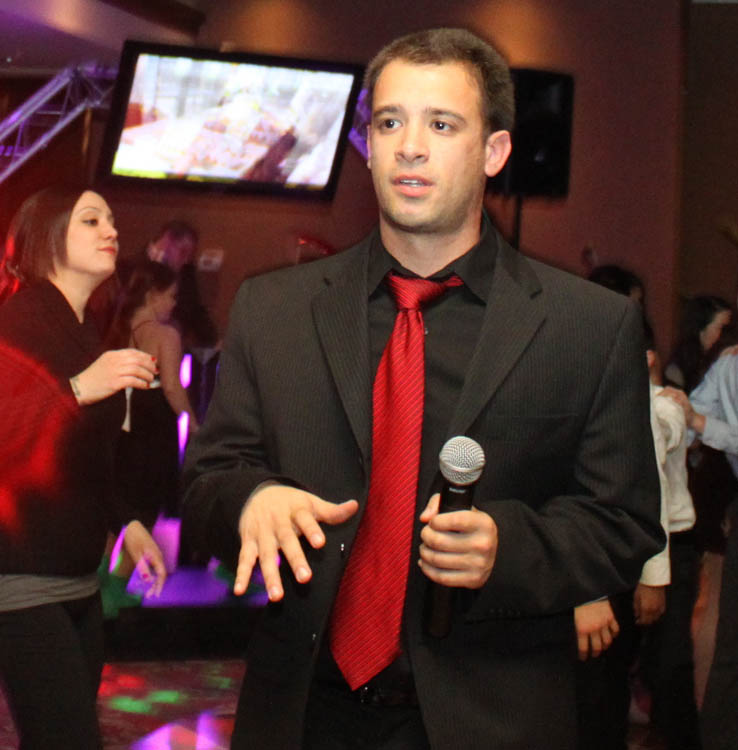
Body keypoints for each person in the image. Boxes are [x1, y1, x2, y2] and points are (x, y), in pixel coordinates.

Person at [182, 28, 662, 749]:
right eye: (389, 122)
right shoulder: (275, 309)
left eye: (441, 125)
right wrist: (251, 498)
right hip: (303, 715)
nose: (409, 146)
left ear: (494, 152)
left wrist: (509, 547)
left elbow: (623, 522)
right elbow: (207, 482)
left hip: (490, 719)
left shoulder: (588, 327)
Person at [0, 186, 167, 749]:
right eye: (91, 220)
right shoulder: (20, 318)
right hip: (22, 583)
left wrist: (129, 522)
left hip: (79, 582)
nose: (111, 230)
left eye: (112, 220)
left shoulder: (82, 328)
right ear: (47, 235)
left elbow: (87, 458)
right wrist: (77, 388)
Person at [575, 318, 700, 750]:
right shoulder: (619, 399)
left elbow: (655, 486)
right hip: (617, 548)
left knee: (663, 664)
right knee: (611, 668)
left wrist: (653, 576)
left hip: (662, 546)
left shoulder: (657, 404)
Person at [681, 352, 738, 750]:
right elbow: (686, 420)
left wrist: (703, 425)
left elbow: (698, 420)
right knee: (731, 646)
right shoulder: (730, 366)